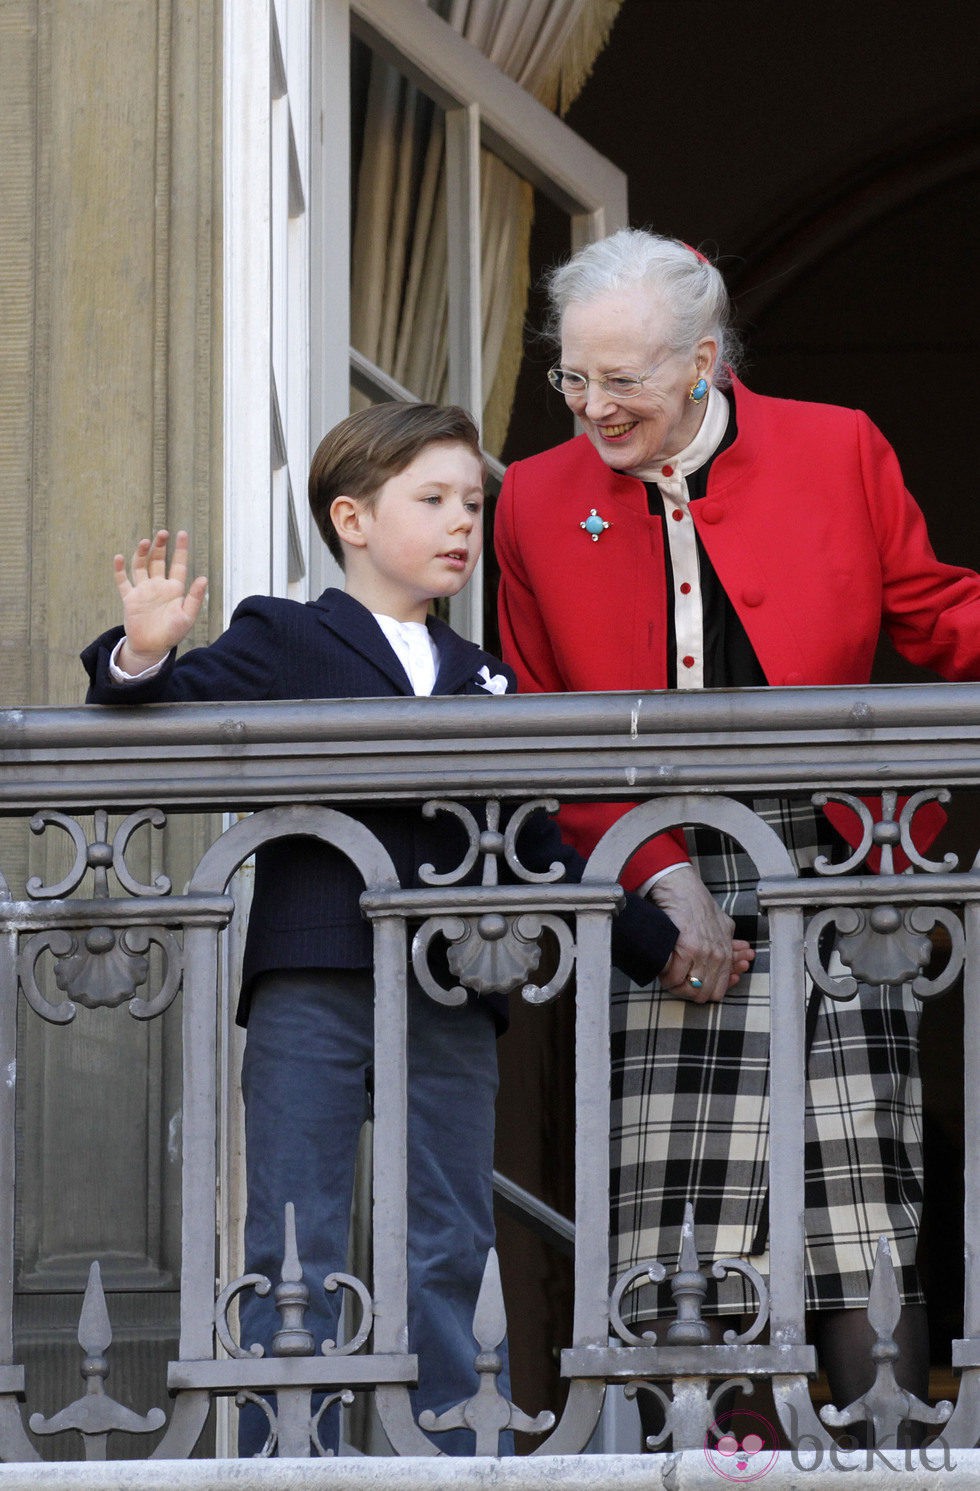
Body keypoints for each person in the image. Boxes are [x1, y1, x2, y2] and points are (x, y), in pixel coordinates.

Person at [81, 400, 681, 1456]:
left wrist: (654, 942)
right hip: (313, 974)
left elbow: (533, 846)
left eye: (472, 503)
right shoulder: (284, 632)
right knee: (295, 1228)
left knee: (447, 1226)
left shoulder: (485, 675)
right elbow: (148, 709)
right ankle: (283, 1448)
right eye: (434, 499)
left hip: (453, 981)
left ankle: (447, 1444)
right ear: (352, 519)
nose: (461, 523)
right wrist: (140, 652)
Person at [494, 229, 980, 1429]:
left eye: (623, 380)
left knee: (856, 1189)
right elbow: (544, 718)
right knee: (680, 1201)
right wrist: (656, 875)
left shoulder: (834, 444)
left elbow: (929, 615)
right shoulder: (536, 497)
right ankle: (704, 1461)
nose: (592, 406)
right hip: (652, 845)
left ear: (702, 360)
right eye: (572, 376)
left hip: (831, 849)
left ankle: (883, 1459)